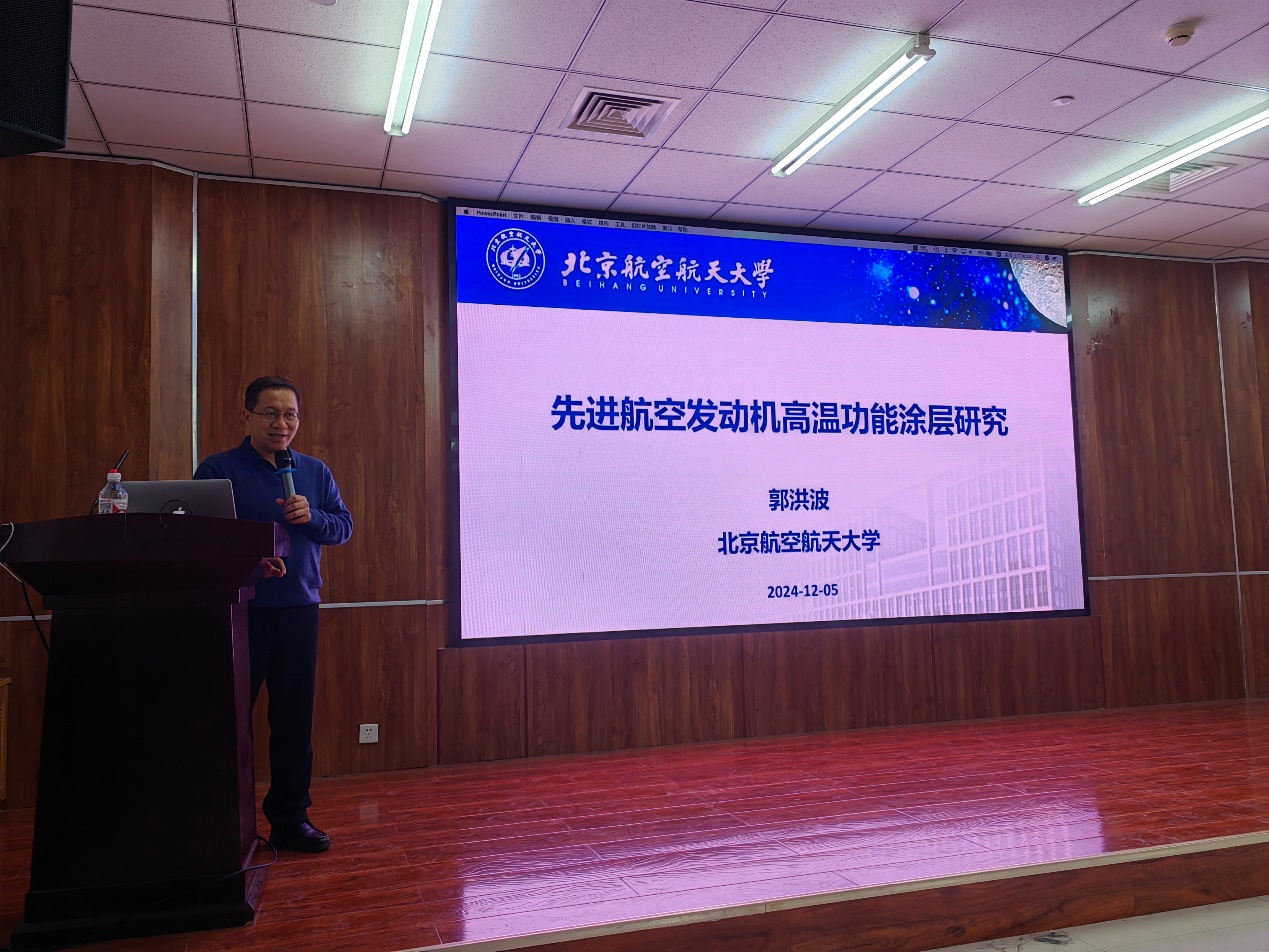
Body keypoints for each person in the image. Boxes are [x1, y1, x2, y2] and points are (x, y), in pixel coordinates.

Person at [195, 376, 353, 853]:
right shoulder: (218, 470)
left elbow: (343, 527)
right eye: (270, 413)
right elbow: (201, 539)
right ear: (248, 417)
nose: (281, 424)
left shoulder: (314, 471)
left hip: (299, 610)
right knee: (228, 719)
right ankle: (219, 820)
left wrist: (314, 517)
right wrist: (249, 563)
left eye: (290, 415)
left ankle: (290, 819)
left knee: (293, 720)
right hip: (240, 611)